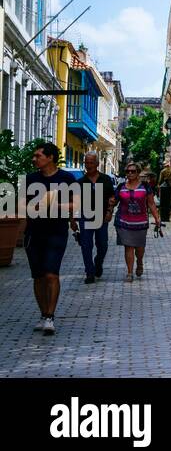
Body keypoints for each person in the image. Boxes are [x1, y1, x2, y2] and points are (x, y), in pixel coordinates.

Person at [23, 141, 79, 335]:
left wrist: (54, 205)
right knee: (38, 277)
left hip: (56, 232)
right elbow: (23, 205)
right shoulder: (30, 179)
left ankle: (50, 316)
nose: (34, 159)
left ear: (50, 158)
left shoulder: (67, 178)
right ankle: (43, 313)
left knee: (51, 274)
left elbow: (78, 204)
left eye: (38, 156)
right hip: (34, 233)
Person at [108, 162, 161, 282]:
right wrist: (110, 204)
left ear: (138, 173)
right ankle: (129, 272)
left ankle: (140, 262)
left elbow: (151, 203)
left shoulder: (145, 186)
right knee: (128, 247)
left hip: (140, 222)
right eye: (128, 171)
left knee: (140, 248)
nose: (130, 173)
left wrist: (157, 218)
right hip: (124, 222)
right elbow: (114, 201)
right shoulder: (121, 186)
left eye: (133, 171)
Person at [76, 150, 116, 284]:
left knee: (102, 245)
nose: (89, 165)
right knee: (86, 245)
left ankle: (98, 262)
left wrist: (110, 212)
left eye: (91, 162)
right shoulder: (80, 182)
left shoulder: (106, 179)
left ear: (97, 164)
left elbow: (112, 197)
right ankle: (89, 272)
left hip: (101, 216)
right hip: (85, 216)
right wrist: (72, 220)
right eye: (86, 162)